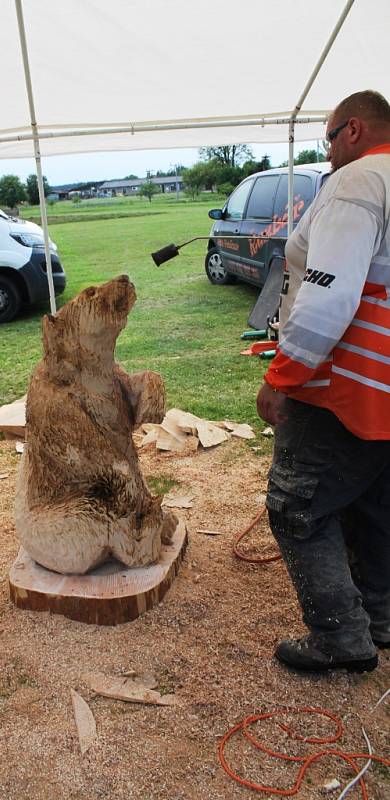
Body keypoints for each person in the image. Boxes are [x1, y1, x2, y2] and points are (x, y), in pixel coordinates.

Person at [257, 90, 390, 673]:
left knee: (296, 506)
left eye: (329, 138)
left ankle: (341, 638)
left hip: (346, 382)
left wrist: (284, 376)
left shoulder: (357, 182)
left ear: (354, 131)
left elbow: (330, 294)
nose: (328, 152)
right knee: (373, 499)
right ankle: (381, 616)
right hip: (383, 388)